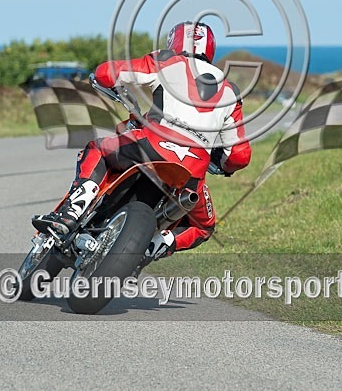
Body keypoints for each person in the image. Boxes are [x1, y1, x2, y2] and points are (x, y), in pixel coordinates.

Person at [32, 21, 251, 262]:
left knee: (98, 149)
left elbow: (106, 73)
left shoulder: (167, 60)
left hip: (151, 145)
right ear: (210, 49)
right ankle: (151, 249)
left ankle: (71, 212)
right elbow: (239, 156)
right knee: (203, 227)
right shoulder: (231, 91)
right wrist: (219, 161)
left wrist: (108, 83)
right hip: (192, 171)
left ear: (175, 41)